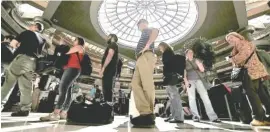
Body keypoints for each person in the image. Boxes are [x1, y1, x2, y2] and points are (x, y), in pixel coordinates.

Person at [225, 32, 270, 126]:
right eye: (228, 40)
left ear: (238, 36)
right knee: (262, 94)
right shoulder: (237, 47)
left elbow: (244, 56)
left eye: (231, 38)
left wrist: (231, 59)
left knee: (251, 94)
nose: (230, 41)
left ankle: (259, 118)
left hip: (251, 72)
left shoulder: (243, 43)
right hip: (254, 72)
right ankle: (266, 117)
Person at [1, 23, 44, 116]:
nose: (30, 26)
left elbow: (13, 44)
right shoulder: (42, 39)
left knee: (8, 83)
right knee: (26, 87)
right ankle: (25, 109)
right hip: (32, 63)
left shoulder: (27, 32)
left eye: (32, 25)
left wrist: (19, 46)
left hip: (22, 59)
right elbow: (39, 54)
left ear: (36, 27)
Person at [40, 37, 85, 121]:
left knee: (62, 89)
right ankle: (64, 112)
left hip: (72, 69)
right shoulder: (78, 49)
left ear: (79, 42)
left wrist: (62, 45)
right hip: (72, 69)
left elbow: (66, 52)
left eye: (75, 40)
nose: (73, 41)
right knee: (68, 90)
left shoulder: (79, 47)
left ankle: (55, 113)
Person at [130, 19, 159, 126]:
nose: (139, 27)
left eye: (140, 24)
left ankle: (148, 113)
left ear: (145, 24)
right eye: (138, 25)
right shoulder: (143, 33)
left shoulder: (148, 29)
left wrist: (147, 46)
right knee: (135, 84)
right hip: (140, 58)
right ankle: (145, 111)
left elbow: (156, 31)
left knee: (147, 83)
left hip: (146, 55)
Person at [184, 49, 221, 123]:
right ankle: (195, 116)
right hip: (190, 81)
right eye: (189, 52)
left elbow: (202, 70)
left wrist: (198, 64)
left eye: (192, 52)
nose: (191, 53)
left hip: (199, 80)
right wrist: (186, 82)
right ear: (186, 54)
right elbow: (183, 73)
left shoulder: (197, 60)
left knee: (205, 97)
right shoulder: (184, 62)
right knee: (192, 98)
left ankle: (213, 117)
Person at [158, 42, 184, 123]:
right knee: (172, 98)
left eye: (160, 48)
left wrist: (159, 63)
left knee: (174, 98)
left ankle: (178, 117)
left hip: (170, 77)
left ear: (163, 46)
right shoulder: (169, 53)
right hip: (170, 77)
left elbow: (167, 64)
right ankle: (173, 116)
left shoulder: (167, 53)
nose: (159, 49)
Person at [99, 34, 119, 104]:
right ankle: (107, 106)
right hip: (109, 70)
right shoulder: (113, 45)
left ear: (112, 38)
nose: (107, 38)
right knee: (106, 88)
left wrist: (103, 68)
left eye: (108, 37)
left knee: (107, 88)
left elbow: (110, 55)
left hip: (109, 70)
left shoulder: (113, 44)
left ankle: (108, 106)